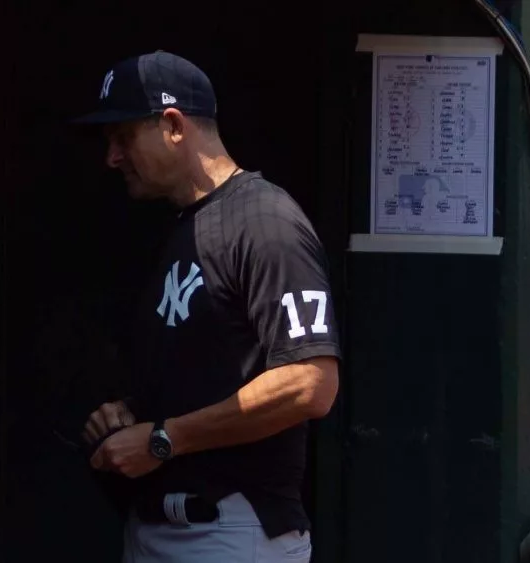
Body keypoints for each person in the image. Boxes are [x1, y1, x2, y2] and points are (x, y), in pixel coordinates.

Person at [74, 51, 342, 563]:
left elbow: (310, 383)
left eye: (123, 136)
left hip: (230, 531)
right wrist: (134, 415)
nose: (111, 157)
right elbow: (207, 372)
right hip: (159, 527)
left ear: (173, 126)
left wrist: (160, 439)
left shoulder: (265, 221)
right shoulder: (184, 227)